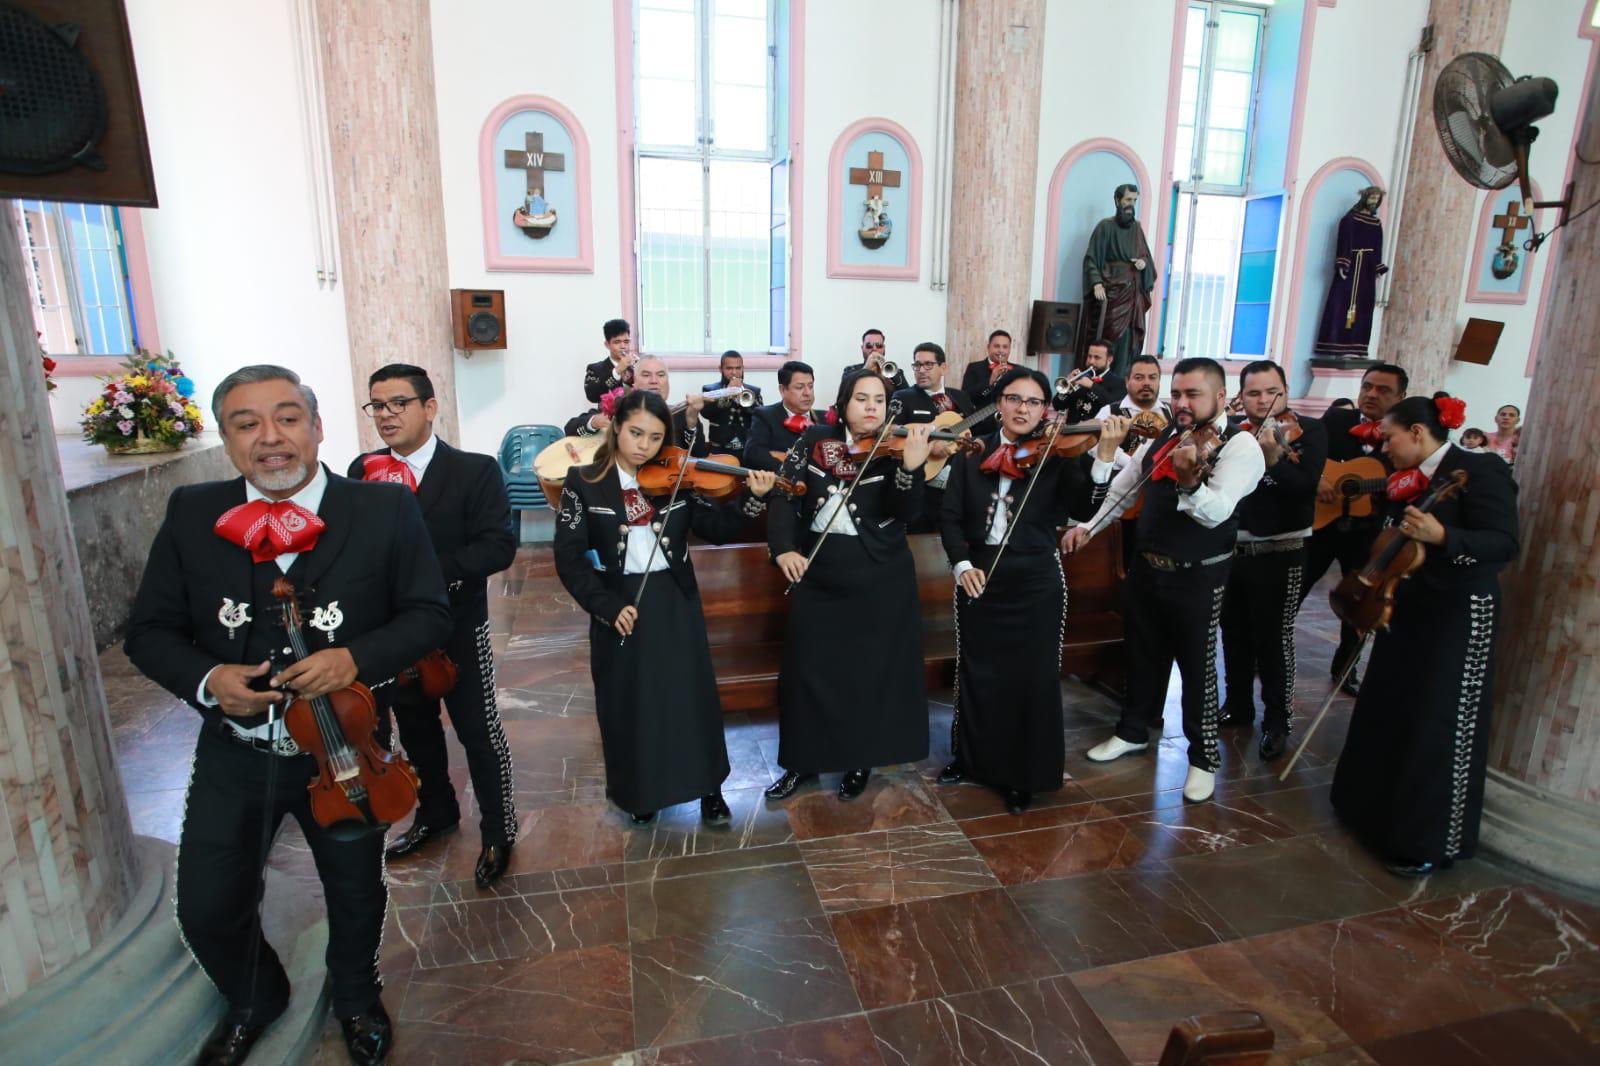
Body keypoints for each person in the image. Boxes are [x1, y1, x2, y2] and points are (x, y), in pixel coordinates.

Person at [125, 366, 452, 1065]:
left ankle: (357, 996)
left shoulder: (384, 510)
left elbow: (430, 614)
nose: (270, 438)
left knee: (356, 890)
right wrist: (210, 680)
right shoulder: (191, 510)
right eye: (247, 424)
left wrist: (353, 659)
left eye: (287, 418)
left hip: (346, 751)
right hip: (235, 752)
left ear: (317, 426)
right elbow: (149, 630)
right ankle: (255, 997)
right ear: (226, 439)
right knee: (206, 905)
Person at [552, 390, 778, 824]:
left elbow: (714, 529)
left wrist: (754, 499)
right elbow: (569, 558)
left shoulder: (677, 475)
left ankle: (709, 788)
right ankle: (641, 792)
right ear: (616, 426)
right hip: (619, 603)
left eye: (655, 438)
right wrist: (605, 606)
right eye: (635, 433)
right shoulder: (584, 482)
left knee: (690, 698)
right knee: (630, 701)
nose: (644, 446)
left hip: (674, 599)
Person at [1331, 393, 1518, 878]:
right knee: (1390, 710)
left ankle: (1427, 841)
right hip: (1405, 605)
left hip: (1456, 614)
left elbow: (1503, 543)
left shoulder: (1479, 471)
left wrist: (1443, 538)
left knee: (1436, 725)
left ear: (1417, 433)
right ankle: (1370, 814)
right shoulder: (1407, 479)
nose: (1384, 447)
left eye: (1389, 437)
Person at [1064, 357, 1265, 803]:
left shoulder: (1240, 446)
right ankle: (1133, 730)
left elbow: (1217, 511)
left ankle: (1202, 758)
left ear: (1219, 396)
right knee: (1141, 654)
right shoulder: (1166, 436)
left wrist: (1191, 483)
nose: (1181, 402)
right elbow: (1126, 487)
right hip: (1147, 567)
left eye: (1192, 394)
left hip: (1198, 574)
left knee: (1196, 668)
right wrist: (1089, 528)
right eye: (1176, 394)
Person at [349, 364, 519, 888]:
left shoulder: (474, 470)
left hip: (455, 629)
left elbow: (498, 546)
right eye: (378, 405)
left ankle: (498, 829)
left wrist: (426, 576)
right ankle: (437, 813)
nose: (387, 415)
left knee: (478, 730)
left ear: (429, 407)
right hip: (396, 634)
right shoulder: (364, 470)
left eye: (399, 403)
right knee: (415, 728)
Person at [764, 370, 933, 801]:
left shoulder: (896, 449)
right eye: (862, 398)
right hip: (819, 575)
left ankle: (860, 760)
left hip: (881, 578)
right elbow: (785, 493)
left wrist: (912, 469)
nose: (872, 407)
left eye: (879, 399)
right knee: (807, 675)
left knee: (868, 676)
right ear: (843, 403)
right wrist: (783, 547)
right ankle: (800, 763)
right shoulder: (813, 439)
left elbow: (907, 512)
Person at [938, 367, 1095, 813]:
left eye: (1032, 402)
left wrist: (1100, 457)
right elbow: (949, 517)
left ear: (1046, 409)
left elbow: (1084, 505)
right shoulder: (972, 451)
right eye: (1013, 399)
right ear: (1000, 404)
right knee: (976, 672)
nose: (1022, 409)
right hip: (979, 577)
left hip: (1034, 581)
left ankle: (1020, 775)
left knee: (1029, 681)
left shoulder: (1059, 454)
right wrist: (962, 564)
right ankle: (968, 759)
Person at [1218, 362, 1329, 762]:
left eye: (1272, 392)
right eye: (1253, 393)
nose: (1263, 401)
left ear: (1285, 391)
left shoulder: (1309, 432)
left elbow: (1303, 488)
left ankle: (1278, 722)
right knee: (1233, 632)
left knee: (1274, 638)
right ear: (1240, 396)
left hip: (1282, 551)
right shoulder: (1231, 432)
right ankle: (1238, 705)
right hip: (1235, 548)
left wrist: (1273, 459)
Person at [1305, 362, 1408, 696]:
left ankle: (1345, 669)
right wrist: (1320, 478)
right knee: (1294, 592)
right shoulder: (1337, 420)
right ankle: (1269, 654)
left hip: (1368, 535)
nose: (1371, 394)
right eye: (1367, 387)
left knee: (1359, 604)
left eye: (1383, 390)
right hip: (1323, 526)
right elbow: (1308, 455)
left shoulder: (1405, 438)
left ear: (1401, 396)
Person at [892, 341, 974, 532]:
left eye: (928, 364)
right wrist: (929, 445)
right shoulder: (903, 396)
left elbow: (973, 429)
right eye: (917, 365)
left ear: (943, 367)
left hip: (960, 484)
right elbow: (892, 432)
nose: (921, 370)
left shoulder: (960, 397)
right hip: (926, 486)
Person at [1083, 184, 1157, 377]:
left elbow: (1147, 260)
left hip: (1132, 295)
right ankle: (1100, 380)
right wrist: (1096, 283)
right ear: (1117, 201)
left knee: (1128, 342)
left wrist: (1143, 264)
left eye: (1134, 201)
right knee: (1108, 338)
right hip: (1111, 294)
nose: (1131, 205)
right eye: (1127, 200)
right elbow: (1091, 258)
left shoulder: (1137, 228)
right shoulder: (1105, 227)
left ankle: (1121, 381)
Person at [744, 360, 818, 472]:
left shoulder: (825, 418)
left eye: (811, 386)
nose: (807, 393)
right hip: (783, 484)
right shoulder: (765, 416)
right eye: (799, 387)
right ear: (783, 390)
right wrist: (789, 470)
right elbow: (753, 453)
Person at [701, 349, 764, 452]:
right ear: (721, 369)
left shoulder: (754, 391)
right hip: (719, 448)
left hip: (747, 448)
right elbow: (706, 413)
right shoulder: (709, 390)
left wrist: (744, 401)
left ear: (743, 368)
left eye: (738, 368)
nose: (734, 372)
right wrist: (727, 394)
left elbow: (760, 417)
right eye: (729, 368)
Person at [1053, 339, 1127, 420]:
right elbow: (1057, 406)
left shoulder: (1119, 383)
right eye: (1089, 356)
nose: (1091, 361)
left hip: (1095, 431)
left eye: (1097, 357)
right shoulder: (1080, 377)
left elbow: (1114, 407)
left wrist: (1092, 386)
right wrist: (1068, 387)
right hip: (1070, 429)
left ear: (1109, 360)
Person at [960, 329, 1015, 436]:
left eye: (1005, 347)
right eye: (996, 346)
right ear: (988, 347)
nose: (1001, 350)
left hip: (1008, 426)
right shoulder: (974, 368)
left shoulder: (1017, 369)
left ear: (1009, 349)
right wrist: (990, 381)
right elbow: (965, 397)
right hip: (981, 426)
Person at [583, 318, 636, 402]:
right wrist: (617, 370)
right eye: (617, 342)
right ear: (607, 345)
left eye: (626, 341)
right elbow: (592, 396)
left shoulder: (637, 365)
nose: (623, 346)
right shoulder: (595, 369)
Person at [840, 327, 908, 392]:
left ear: (884, 348)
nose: (874, 349)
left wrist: (888, 380)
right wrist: (866, 370)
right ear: (862, 348)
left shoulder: (895, 372)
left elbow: (907, 395)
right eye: (869, 346)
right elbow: (844, 393)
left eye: (879, 346)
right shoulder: (850, 370)